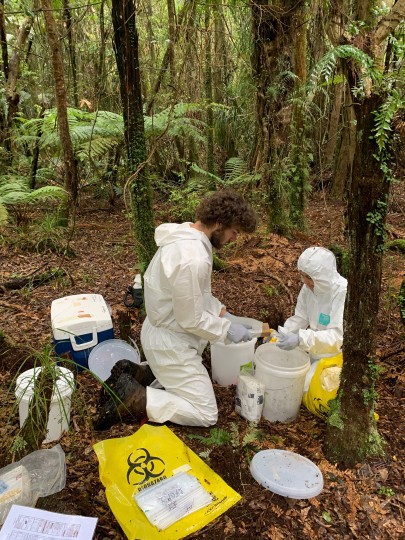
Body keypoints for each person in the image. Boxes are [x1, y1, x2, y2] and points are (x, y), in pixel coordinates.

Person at [95, 190, 257, 430]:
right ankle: (134, 397)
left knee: (186, 384)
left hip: (163, 334)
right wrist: (225, 330)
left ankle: (145, 375)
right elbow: (191, 318)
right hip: (170, 344)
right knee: (206, 413)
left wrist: (223, 313)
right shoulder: (193, 258)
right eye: (235, 231)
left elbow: (196, 295)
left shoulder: (186, 236)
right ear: (220, 224)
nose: (234, 238)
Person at [275, 246, 347, 360]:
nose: (305, 281)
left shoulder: (341, 290)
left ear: (323, 275)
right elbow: (301, 317)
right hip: (313, 352)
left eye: (309, 277)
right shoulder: (308, 288)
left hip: (336, 359)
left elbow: (336, 336)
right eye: (302, 275)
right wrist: (282, 335)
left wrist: (301, 338)